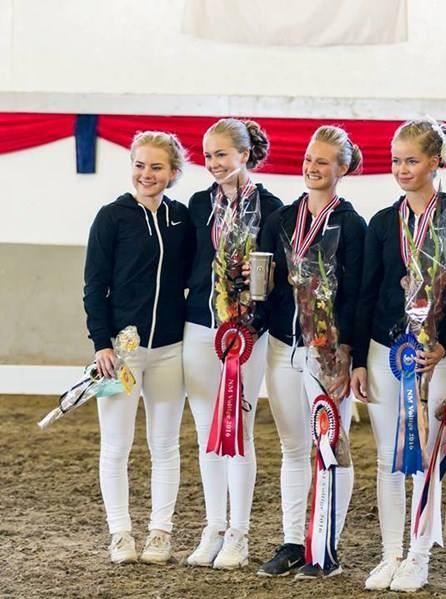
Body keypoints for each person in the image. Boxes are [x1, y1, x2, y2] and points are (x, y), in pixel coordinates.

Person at [351, 118, 446, 593]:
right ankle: (389, 553)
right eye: (396, 160)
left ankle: (419, 554)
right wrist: (360, 357)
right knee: (387, 457)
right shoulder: (384, 222)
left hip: (435, 356)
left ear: (435, 161)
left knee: (425, 455)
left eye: (411, 160)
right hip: (388, 351)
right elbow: (367, 292)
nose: (401, 169)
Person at [256, 125, 366, 579]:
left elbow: (358, 293)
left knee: (331, 447)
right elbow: (263, 282)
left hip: (327, 352)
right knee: (293, 446)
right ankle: (291, 541)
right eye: (308, 158)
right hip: (284, 345)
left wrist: (348, 351)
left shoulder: (353, 224)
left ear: (342, 168)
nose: (312, 167)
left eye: (323, 161)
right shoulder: (282, 219)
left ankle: (327, 545)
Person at [83, 131, 191, 564]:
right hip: (120, 355)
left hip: (169, 349)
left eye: (157, 167)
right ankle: (120, 533)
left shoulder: (182, 219)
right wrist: (100, 345)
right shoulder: (111, 217)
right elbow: (94, 287)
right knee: (116, 445)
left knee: (165, 445)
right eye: (140, 165)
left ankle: (160, 532)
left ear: (173, 172)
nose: (147, 174)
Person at [183, 118, 282, 569]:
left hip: (248, 335)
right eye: (207, 155)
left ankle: (239, 533)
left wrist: (258, 279)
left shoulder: (273, 207)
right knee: (208, 433)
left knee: (237, 432)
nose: (213, 163)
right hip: (201, 329)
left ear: (245, 155)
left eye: (221, 154)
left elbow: (277, 276)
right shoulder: (198, 203)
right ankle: (213, 526)